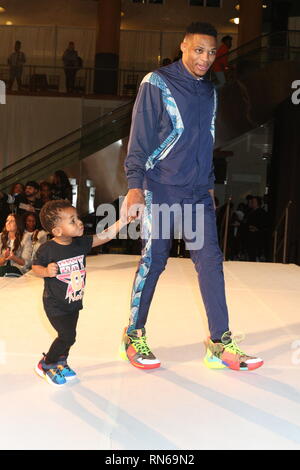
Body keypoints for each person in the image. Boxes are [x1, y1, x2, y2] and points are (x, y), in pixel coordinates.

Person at [120, 22, 263, 372]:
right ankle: (133, 334)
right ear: (184, 46)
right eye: (199, 50)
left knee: (210, 261)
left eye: (212, 52)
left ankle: (219, 342)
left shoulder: (209, 91)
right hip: (162, 187)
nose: (205, 58)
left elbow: (207, 141)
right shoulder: (157, 82)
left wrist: (209, 184)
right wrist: (135, 185)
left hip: (198, 192)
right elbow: (139, 137)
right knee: (155, 260)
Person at [32, 200, 127, 387]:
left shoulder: (79, 244)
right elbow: (35, 267)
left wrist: (122, 221)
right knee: (67, 336)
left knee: (70, 334)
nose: (79, 222)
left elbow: (104, 236)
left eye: (77, 218)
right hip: (55, 304)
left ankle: (61, 361)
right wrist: (45, 271)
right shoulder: (48, 249)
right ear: (58, 231)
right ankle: (46, 363)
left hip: (73, 301)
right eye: (72, 221)